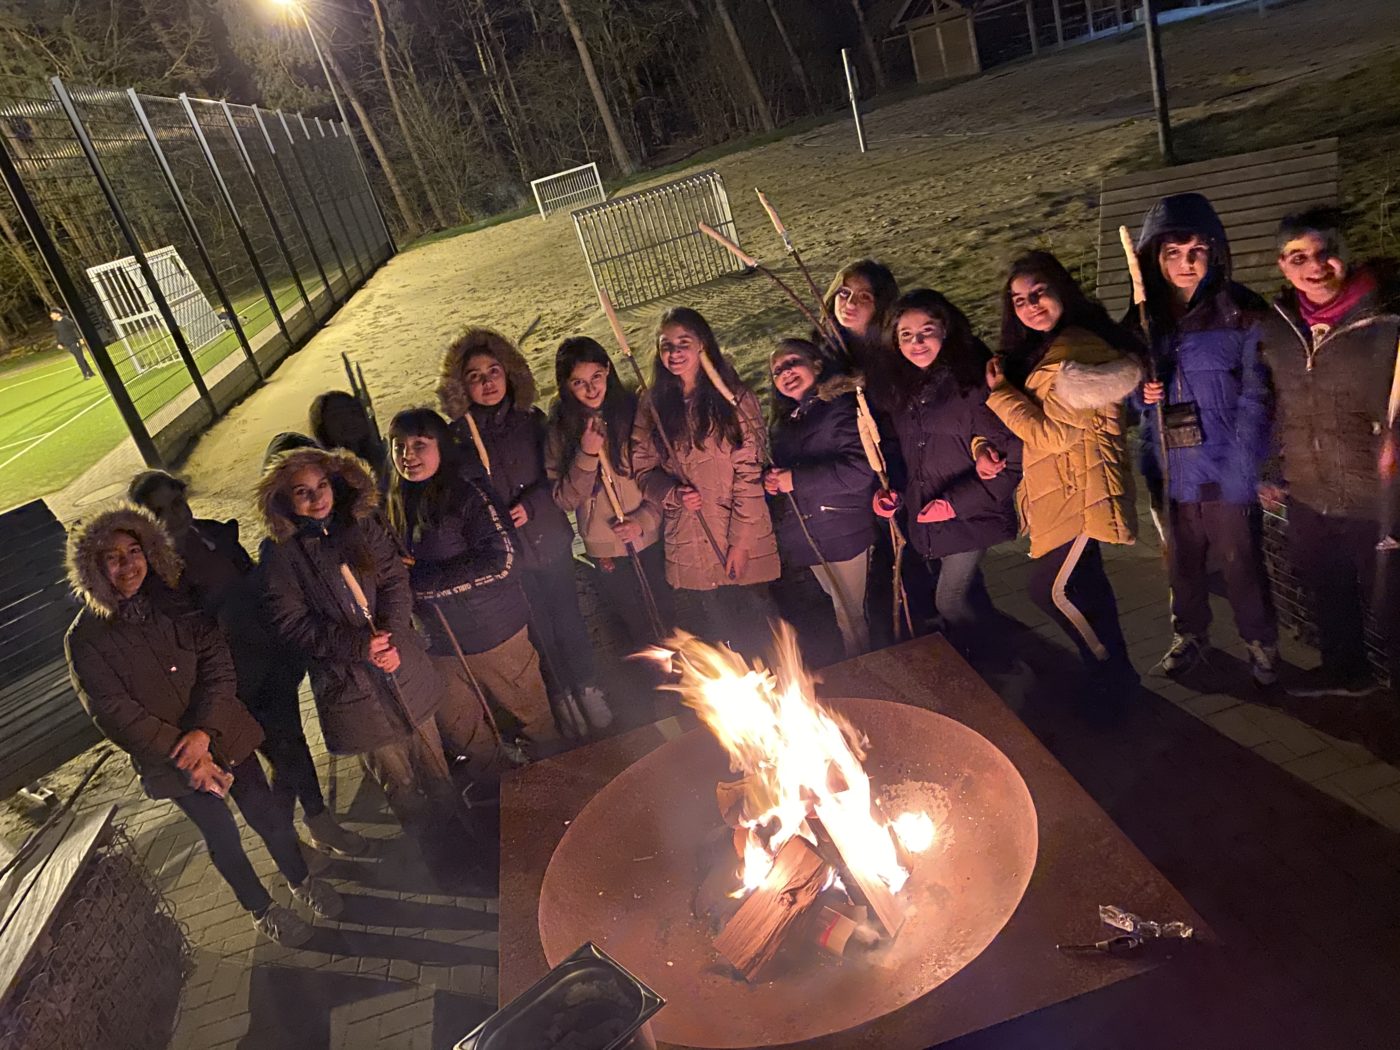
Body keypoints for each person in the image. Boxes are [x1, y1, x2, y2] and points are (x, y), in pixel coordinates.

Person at [65, 505, 341, 946]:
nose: (128, 565)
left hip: (225, 732)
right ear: (93, 568)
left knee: (268, 815)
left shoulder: (176, 602)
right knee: (223, 836)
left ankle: (300, 878)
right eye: (112, 557)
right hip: (172, 761)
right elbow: (112, 711)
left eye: (134, 551)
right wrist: (188, 753)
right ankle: (261, 909)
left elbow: (218, 663)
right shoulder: (85, 639)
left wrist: (204, 733)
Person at [256, 444, 476, 870]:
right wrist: (358, 646)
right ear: (283, 499)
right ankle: (440, 861)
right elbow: (293, 624)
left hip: (402, 669)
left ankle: (468, 846)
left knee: (437, 769)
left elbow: (393, 580)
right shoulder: (281, 555)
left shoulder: (360, 525)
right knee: (401, 785)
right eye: (302, 492)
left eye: (322, 485)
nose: (317, 498)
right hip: (354, 692)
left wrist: (390, 635)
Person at [127, 469, 365, 858]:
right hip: (229, 683)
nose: (175, 514)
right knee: (273, 758)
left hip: (268, 659)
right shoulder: (155, 572)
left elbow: (252, 580)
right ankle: (295, 845)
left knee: (290, 745)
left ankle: (315, 825)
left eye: (177, 502)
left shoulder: (211, 534)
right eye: (160, 511)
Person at [1129, 193, 1278, 685]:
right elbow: (1129, 395)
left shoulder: (1239, 311)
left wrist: (1246, 466)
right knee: (1182, 562)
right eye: (1173, 252)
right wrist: (1141, 394)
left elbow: (1259, 394)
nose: (1186, 263)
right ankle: (1190, 634)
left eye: (1196, 250)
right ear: (1155, 258)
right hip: (1171, 467)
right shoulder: (1145, 318)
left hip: (1226, 464)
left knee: (1240, 563)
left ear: (1214, 250)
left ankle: (1260, 642)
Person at [438, 328, 611, 736]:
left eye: (494, 371)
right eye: (475, 376)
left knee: (568, 618)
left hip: (548, 540)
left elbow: (557, 477)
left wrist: (531, 505)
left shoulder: (530, 422)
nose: (487, 382)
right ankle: (562, 695)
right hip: (508, 558)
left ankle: (588, 687)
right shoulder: (458, 439)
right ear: (461, 385)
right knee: (538, 629)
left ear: (509, 373)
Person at [1258, 208, 1400, 697]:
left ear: (1346, 252)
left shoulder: (1387, 320)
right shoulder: (1279, 326)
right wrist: (1272, 468)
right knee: (1329, 591)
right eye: (1298, 257)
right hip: (1309, 490)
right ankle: (1346, 675)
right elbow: (1276, 403)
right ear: (1282, 265)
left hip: (1377, 494)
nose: (1316, 266)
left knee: (1393, 602)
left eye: (1326, 252)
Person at [989, 251, 1142, 688]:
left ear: (1062, 291)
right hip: (1064, 485)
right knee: (1086, 586)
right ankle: (1113, 678)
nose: (1031, 305)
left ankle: (1109, 670)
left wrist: (1000, 394)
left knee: (1050, 591)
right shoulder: (1042, 349)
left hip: (1079, 488)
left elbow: (1054, 435)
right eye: (1019, 300)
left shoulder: (1076, 351)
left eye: (1039, 292)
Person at [384, 407, 560, 758]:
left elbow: (503, 561)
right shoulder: (395, 502)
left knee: (534, 722)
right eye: (398, 446)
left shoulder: (468, 493)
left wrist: (427, 581)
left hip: (494, 635)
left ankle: (560, 780)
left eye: (419, 445)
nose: (408, 456)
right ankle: (497, 789)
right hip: (440, 643)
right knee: (466, 734)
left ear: (441, 446)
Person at [870, 290, 1021, 655]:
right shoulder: (905, 390)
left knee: (950, 600)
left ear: (946, 330)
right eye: (906, 335)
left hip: (971, 514)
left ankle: (1004, 663)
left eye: (927, 331)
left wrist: (954, 504)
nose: (917, 342)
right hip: (931, 516)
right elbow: (911, 458)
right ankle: (981, 660)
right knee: (958, 598)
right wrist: (893, 494)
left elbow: (1011, 458)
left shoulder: (971, 383)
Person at [631, 307, 781, 654]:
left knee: (762, 633)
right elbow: (643, 469)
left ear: (703, 344)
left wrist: (740, 544)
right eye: (666, 344)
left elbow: (749, 474)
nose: (674, 352)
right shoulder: (652, 403)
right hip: (691, 537)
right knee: (720, 642)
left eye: (683, 342)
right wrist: (672, 493)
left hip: (739, 532)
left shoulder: (732, 397)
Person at [546, 336, 673, 650]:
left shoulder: (632, 412)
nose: (591, 389)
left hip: (650, 537)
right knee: (638, 627)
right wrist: (587, 454)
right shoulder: (560, 430)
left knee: (669, 616)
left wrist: (643, 521)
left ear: (608, 370)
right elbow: (565, 499)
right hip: (606, 548)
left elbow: (657, 473)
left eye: (596, 377)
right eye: (579, 383)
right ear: (566, 386)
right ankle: (656, 677)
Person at [764, 337, 877, 657]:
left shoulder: (839, 407)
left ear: (816, 364)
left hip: (842, 529)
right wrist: (772, 480)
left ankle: (868, 670)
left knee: (850, 614)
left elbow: (859, 471)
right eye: (777, 370)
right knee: (841, 608)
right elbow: (789, 470)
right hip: (808, 533)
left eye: (792, 362)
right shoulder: (785, 422)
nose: (785, 372)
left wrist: (795, 479)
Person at [821, 259, 899, 373]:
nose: (850, 304)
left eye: (864, 297)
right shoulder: (821, 348)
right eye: (844, 293)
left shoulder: (899, 345)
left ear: (881, 305)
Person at [310, 391, 389, 491]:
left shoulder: (386, 456)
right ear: (322, 425)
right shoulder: (324, 474)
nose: (348, 420)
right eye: (337, 416)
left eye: (353, 412)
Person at [52, 307, 94, 380]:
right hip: (68, 344)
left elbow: (76, 329)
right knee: (80, 358)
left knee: (79, 359)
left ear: (58, 314)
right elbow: (58, 335)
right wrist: (59, 343)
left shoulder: (67, 320)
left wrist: (80, 338)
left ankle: (85, 374)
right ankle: (90, 372)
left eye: (52, 314)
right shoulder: (55, 324)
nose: (51, 316)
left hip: (74, 342)